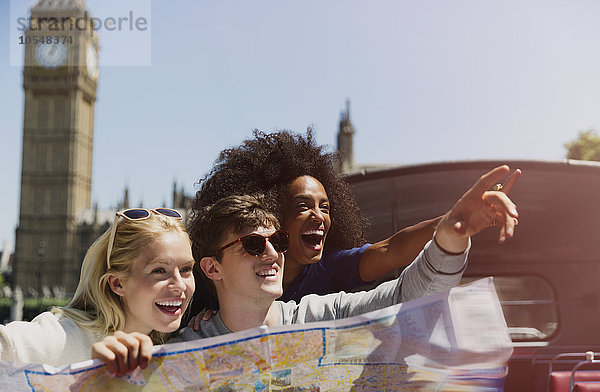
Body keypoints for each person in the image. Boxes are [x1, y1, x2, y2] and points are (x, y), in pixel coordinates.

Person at [94, 165, 520, 372]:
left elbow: (409, 298)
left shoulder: (321, 315)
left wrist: (450, 236)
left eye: (278, 242)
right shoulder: (180, 353)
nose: (272, 254)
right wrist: (113, 370)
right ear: (212, 268)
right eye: (253, 244)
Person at [189, 129, 520, 313]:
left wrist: (455, 219)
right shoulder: (217, 282)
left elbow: (391, 249)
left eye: (326, 207)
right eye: (303, 206)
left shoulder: (327, 280)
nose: (318, 216)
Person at [0, 208, 195, 368]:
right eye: (159, 270)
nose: (179, 285)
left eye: (186, 269)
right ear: (117, 283)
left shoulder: (173, 346)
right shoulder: (65, 337)